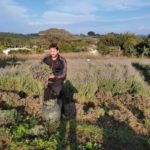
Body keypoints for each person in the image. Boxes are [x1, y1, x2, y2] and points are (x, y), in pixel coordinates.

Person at [41, 43, 67, 116]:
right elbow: (40, 68)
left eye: (54, 51)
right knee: (46, 97)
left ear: (58, 51)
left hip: (57, 82)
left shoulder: (62, 60)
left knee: (58, 98)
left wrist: (54, 76)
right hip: (47, 82)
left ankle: (61, 114)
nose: (52, 53)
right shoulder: (46, 58)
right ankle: (46, 114)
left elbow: (63, 74)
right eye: (51, 51)